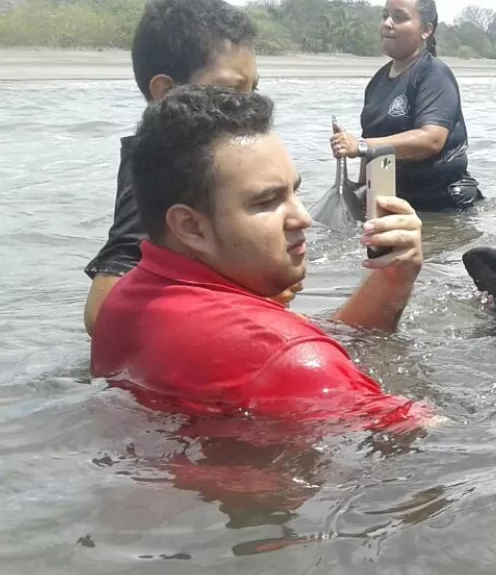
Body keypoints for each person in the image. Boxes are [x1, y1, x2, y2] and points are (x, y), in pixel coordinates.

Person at [91, 85, 437, 434]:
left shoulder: (123, 300)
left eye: (294, 191)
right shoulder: (285, 356)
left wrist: (393, 280)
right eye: (268, 201)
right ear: (191, 227)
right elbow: (436, 445)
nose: (302, 218)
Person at [80, 0, 299, 338]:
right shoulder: (171, 172)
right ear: (166, 92)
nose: (248, 106)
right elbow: (102, 314)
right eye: (229, 90)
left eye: (253, 90)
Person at [328, 0, 483, 213]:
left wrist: (360, 146)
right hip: (398, 203)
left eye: (399, 18)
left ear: (426, 30)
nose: (387, 23)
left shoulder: (433, 74)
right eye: (384, 16)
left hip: (443, 208)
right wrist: (360, 188)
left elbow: (431, 140)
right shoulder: (377, 82)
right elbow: (372, 143)